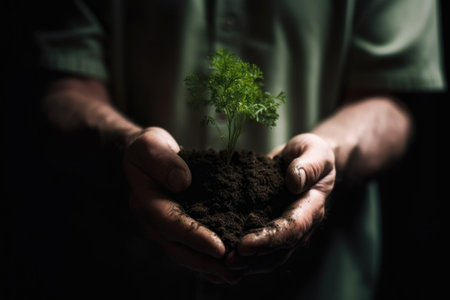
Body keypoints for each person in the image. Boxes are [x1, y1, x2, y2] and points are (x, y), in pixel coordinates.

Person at [35, 0, 445, 299]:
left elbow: (388, 101)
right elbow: (61, 85)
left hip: (316, 282)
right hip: (118, 273)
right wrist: (126, 147)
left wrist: (329, 151)